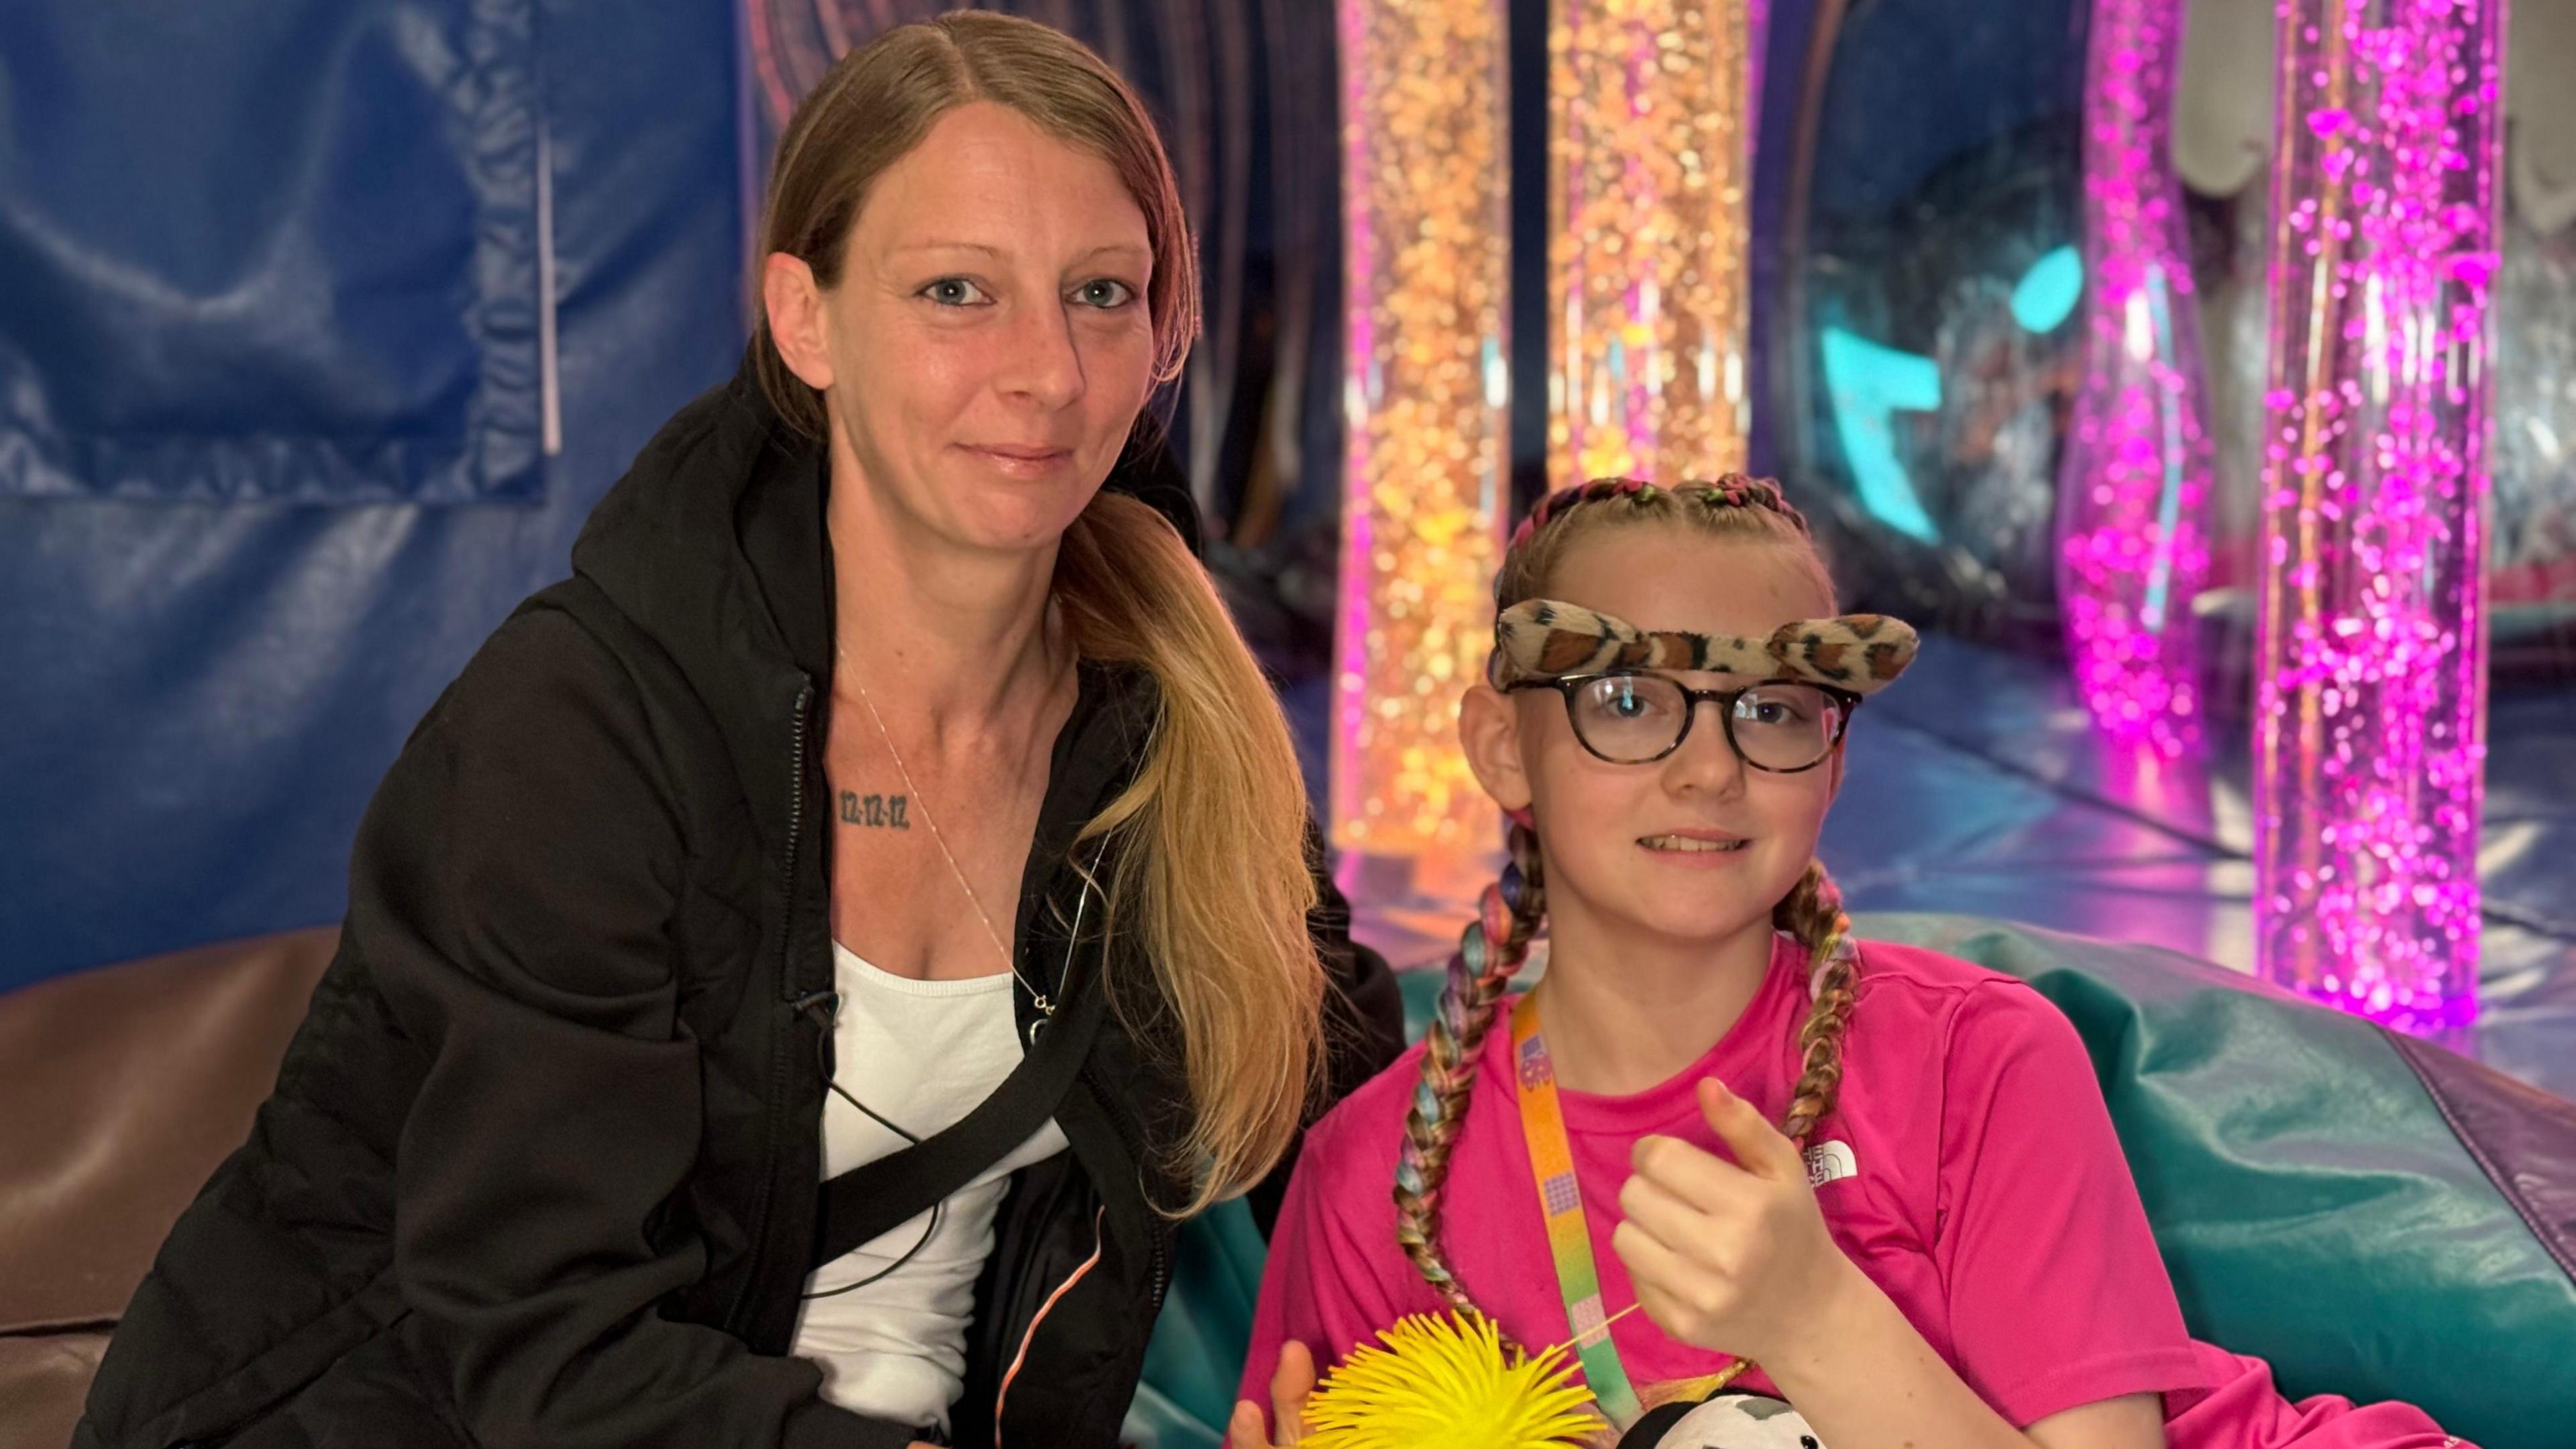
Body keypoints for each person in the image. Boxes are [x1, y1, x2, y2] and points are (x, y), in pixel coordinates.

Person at [74, 13, 1401, 1449]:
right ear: (804, 316)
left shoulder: (1167, 730)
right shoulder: (587, 724)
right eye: (958, 290)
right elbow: (550, 1356)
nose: (1048, 372)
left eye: (1100, 292)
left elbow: (1368, 1131)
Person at [1227, 477, 2468, 1449]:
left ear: (1831, 759)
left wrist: (1810, 1316)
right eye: (1627, 700)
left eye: (1771, 709)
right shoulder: (1375, 1180)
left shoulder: (1976, 1060)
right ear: (1504, 747)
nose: (1709, 768)